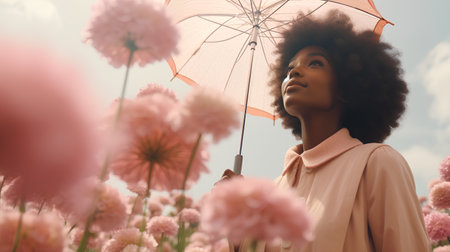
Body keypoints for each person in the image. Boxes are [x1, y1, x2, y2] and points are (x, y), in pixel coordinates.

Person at [221, 11, 430, 252]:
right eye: (290, 69)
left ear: (346, 85)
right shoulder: (272, 191)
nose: (294, 72)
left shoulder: (376, 162)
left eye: (315, 63)